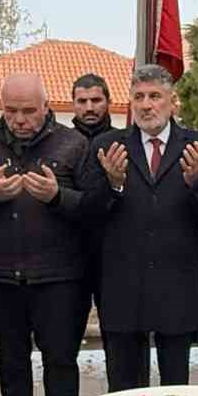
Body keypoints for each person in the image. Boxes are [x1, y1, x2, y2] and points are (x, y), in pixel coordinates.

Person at [80, 64, 198, 390]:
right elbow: (87, 214)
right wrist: (113, 184)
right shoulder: (107, 146)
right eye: (139, 97)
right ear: (131, 103)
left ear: (172, 101)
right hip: (122, 290)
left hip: (177, 289)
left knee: (175, 390)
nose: (147, 105)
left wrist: (196, 183)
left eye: (155, 96)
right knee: (122, 391)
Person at [0, 75, 89, 396]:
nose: (20, 120)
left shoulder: (73, 143)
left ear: (47, 106)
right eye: (11, 111)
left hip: (58, 278)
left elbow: (93, 209)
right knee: (12, 366)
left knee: (61, 363)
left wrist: (57, 196)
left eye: (28, 111)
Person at [71, 72, 115, 339]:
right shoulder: (61, 142)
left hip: (112, 256)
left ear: (108, 101)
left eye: (96, 100)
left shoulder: (123, 141)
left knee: (119, 340)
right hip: (70, 256)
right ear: (73, 103)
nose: (89, 107)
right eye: (82, 100)